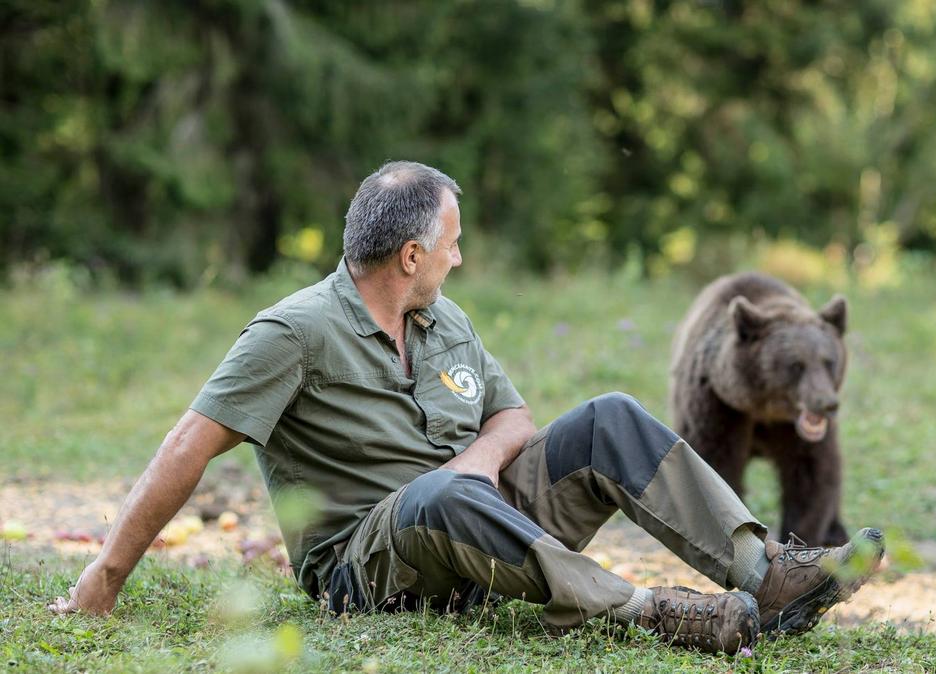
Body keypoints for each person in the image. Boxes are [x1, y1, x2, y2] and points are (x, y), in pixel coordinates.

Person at [49, 161, 884, 655]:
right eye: (452, 244)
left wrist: (480, 464)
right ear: (411, 253)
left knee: (610, 417)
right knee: (439, 495)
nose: (461, 256)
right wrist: (104, 576)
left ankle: (762, 576)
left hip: (480, 520)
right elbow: (188, 444)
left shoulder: (441, 318)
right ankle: (657, 613)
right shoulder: (293, 333)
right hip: (368, 567)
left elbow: (513, 420)